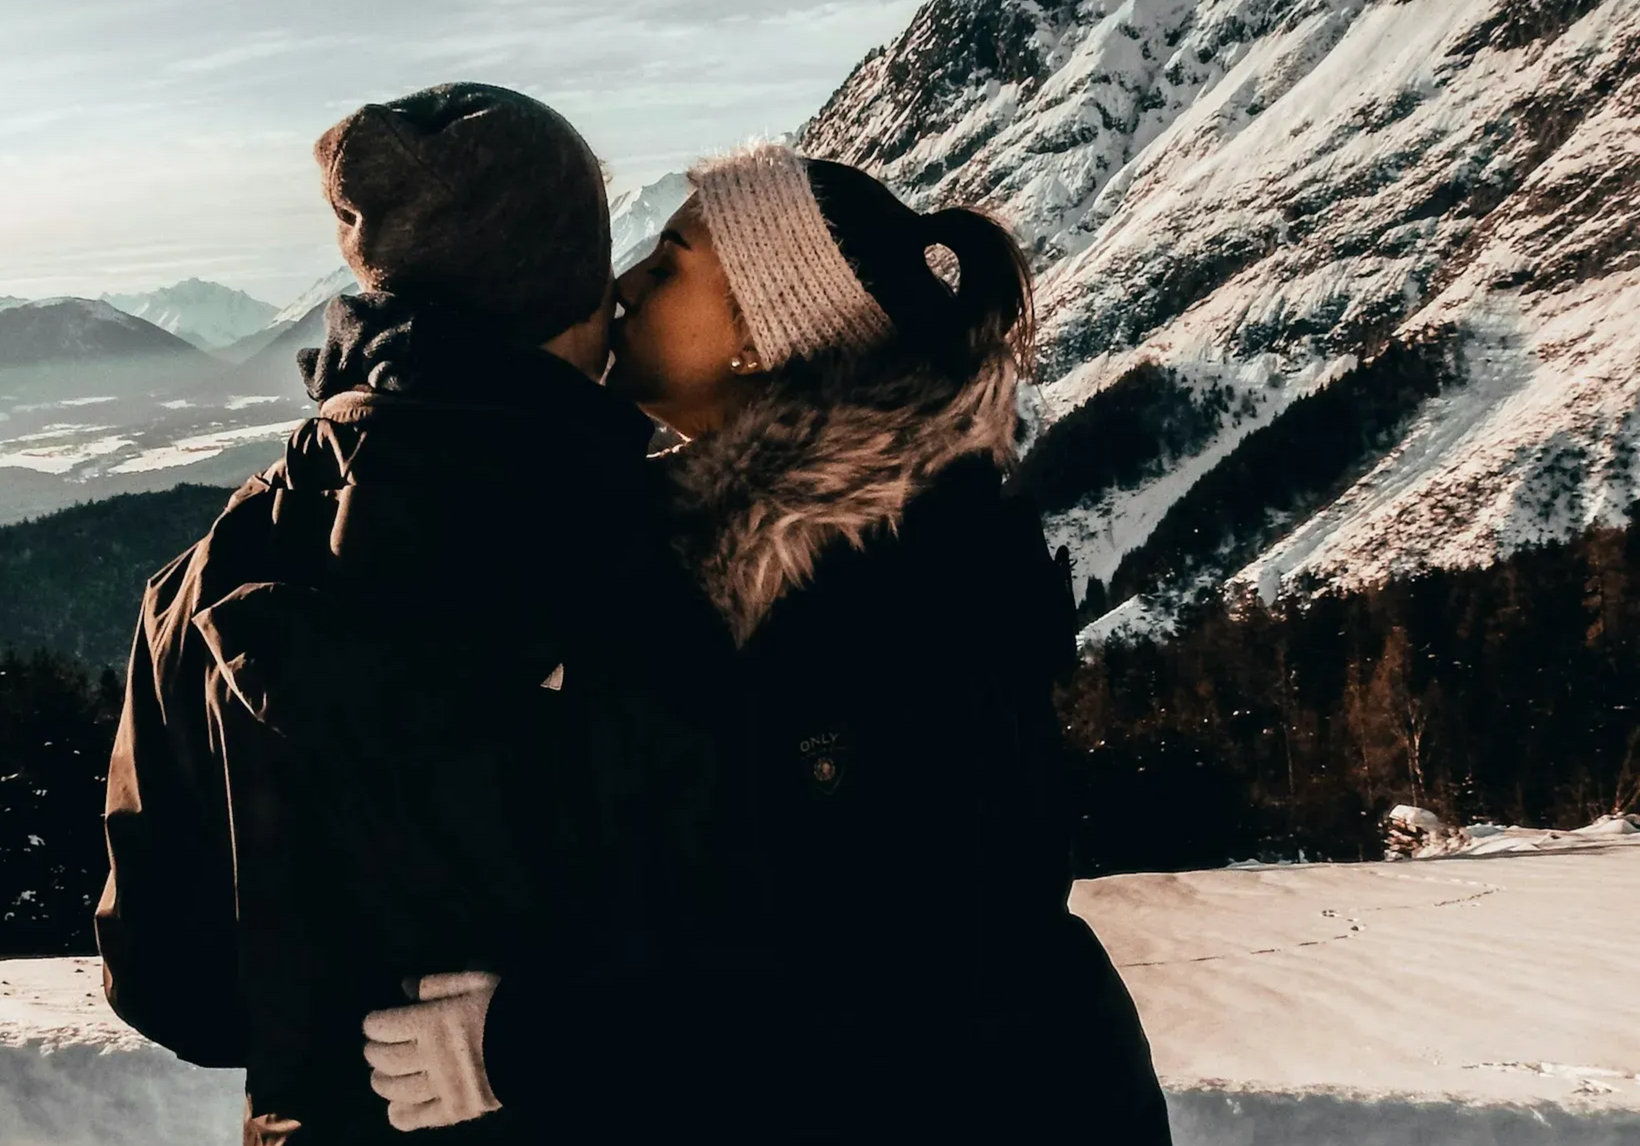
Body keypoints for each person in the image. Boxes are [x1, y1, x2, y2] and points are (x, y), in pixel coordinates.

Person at [379, 141, 1172, 1140]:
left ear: (759, 332)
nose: (623, 284)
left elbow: (883, 985)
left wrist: (522, 1044)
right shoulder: (752, 564)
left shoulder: (893, 596)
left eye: (669, 262)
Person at [95, 82, 731, 1144]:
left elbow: (173, 987)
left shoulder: (205, 579)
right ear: (572, 294)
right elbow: (783, 936)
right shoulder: (682, 550)